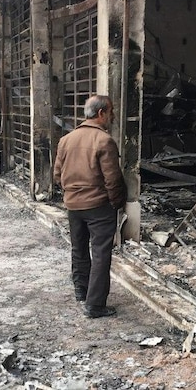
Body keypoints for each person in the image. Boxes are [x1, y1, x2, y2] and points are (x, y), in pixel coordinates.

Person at [53, 95, 126, 319]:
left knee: (79, 248)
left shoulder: (66, 139)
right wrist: (116, 203)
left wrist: (71, 193)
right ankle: (95, 305)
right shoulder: (104, 141)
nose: (112, 115)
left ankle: (81, 291)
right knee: (101, 253)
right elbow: (112, 179)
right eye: (111, 111)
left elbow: (57, 175)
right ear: (101, 113)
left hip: (73, 205)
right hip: (98, 205)